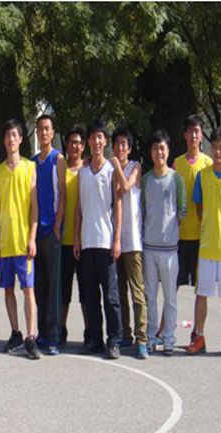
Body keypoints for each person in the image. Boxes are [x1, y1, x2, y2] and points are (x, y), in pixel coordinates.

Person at [186, 128, 221, 357]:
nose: (217, 151)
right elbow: (199, 208)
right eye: (214, 147)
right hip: (207, 245)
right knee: (202, 293)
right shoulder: (203, 176)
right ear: (210, 149)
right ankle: (199, 337)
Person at [73, 120, 123, 359]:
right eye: (92, 137)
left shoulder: (111, 170)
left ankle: (114, 340)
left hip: (106, 241)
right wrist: (76, 238)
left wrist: (117, 239)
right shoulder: (82, 171)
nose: (96, 141)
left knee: (111, 296)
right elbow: (79, 209)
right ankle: (95, 339)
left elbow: (118, 205)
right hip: (87, 242)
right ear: (89, 142)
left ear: (105, 141)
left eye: (100, 137)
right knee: (91, 296)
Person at [0, 118, 41, 360]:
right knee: (8, 289)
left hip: (24, 241)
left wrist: (32, 237)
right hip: (5, 241)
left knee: (28, 289)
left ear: (21, 139)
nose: (11, 139)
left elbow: (35, 208)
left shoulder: (29, 167)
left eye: (14, 135)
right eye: (7, 136)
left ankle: (31, 336)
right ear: (3, 140)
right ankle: (15, 332)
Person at [141, 129, 187, 356]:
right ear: (150, 152)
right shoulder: (146, 180)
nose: (159, 152)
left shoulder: (176, 179)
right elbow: (142, 212)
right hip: (149, 248)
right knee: (150, 296)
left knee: (170, 297)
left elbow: (182, 212)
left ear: (168, 151)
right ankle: (151, 337)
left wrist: (170, 232)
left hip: (170, 249)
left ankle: (168, 338)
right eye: (155, 148)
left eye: (162, 148)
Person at [172, 115, 213, 343]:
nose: (194, 135)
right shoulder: (176, 164)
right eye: (190, 131)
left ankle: (198, 333)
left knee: (201, 289)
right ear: (185, 135)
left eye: (197, 131)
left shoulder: (208, 164)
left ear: (201, 135)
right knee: (173, 287)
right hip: (179, 237)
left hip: (201, 237)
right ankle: (166, 331)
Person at [109, 126, 149, 359]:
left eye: (124, 144)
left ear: (130, 148)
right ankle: (126, 334)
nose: (120, 148)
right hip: (115, 240)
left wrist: (116, 166)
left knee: (137, 292)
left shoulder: (135, 166)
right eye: (117, 144)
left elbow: (125, 187)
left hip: (133, 241)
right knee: (120, 292)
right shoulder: (111, 168)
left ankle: (141, 338)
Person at [31, 114, 66, 355]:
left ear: (52, 133)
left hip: (52, 230)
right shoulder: (33, 162)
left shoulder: (58, 159)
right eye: (40, 129)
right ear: (36, 133)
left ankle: (53, 336)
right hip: (37, 232)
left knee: (54, 286)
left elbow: (62, 194)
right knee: (40, 285)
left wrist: (57, 225)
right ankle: (42, 333)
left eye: (47, 129)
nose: (43, 132)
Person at [59, 126, 87, 347]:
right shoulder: (61, 170)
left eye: (78, 142)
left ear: (83, 146)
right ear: (66, 145)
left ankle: (90, 332)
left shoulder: (88, 170)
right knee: (63, 292)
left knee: (86, 292)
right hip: (63, 240)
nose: (74, 146)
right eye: (71, 142)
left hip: (86, 241)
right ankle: (60, 330)